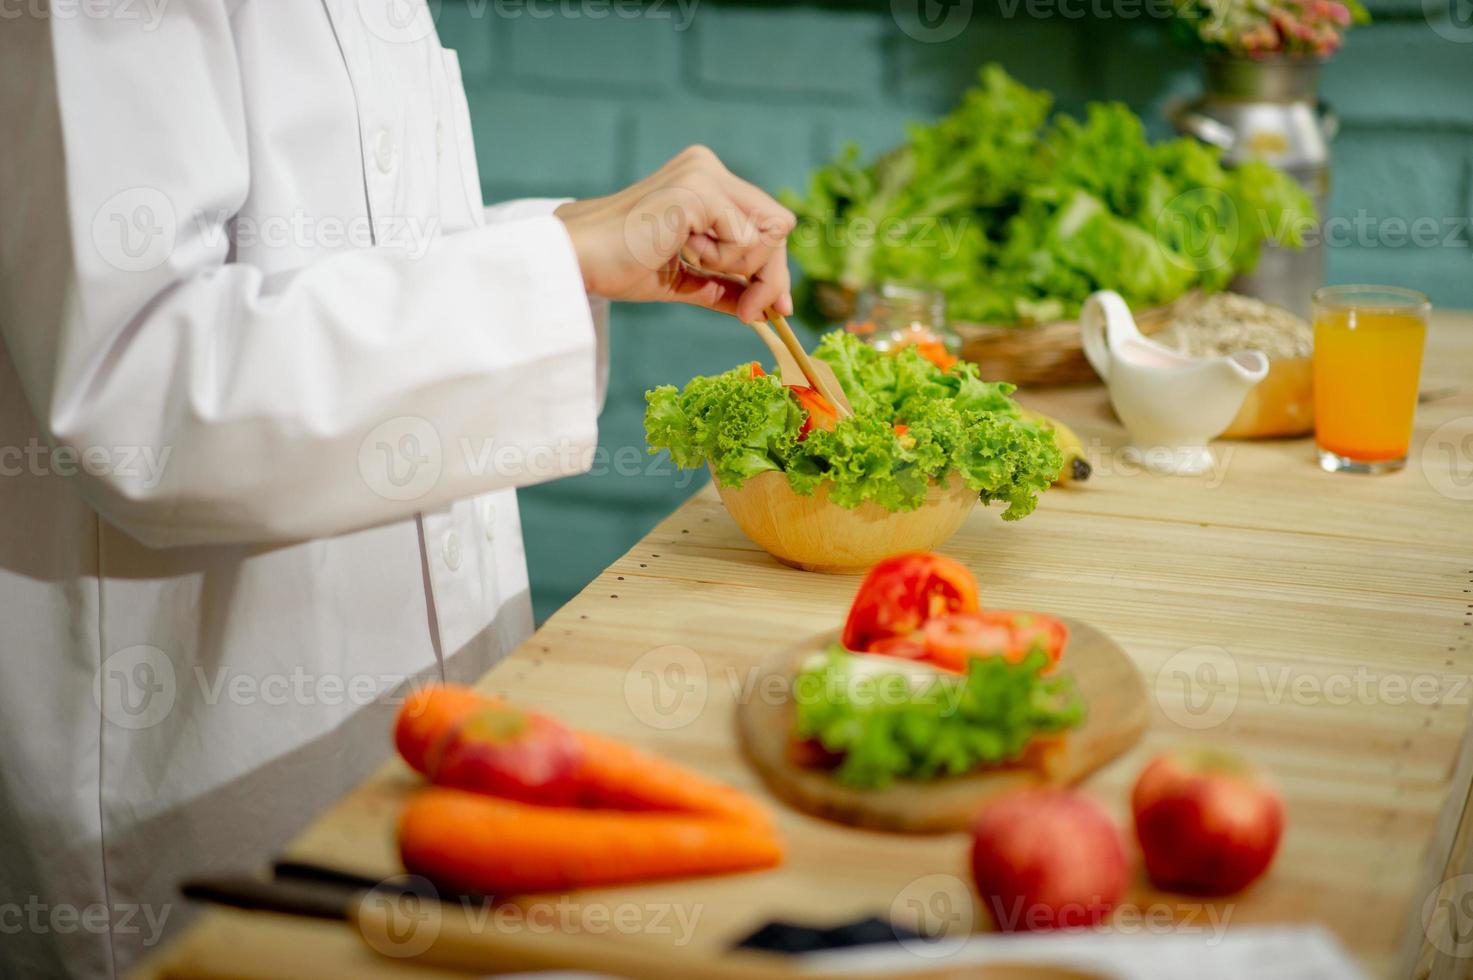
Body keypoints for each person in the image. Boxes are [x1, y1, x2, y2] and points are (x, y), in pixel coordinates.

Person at [0, 6, 793, 977]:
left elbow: (352, 259)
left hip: (414, 719)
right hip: (199, 767)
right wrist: (553, 263)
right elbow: (145, 396)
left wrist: (562, 243)